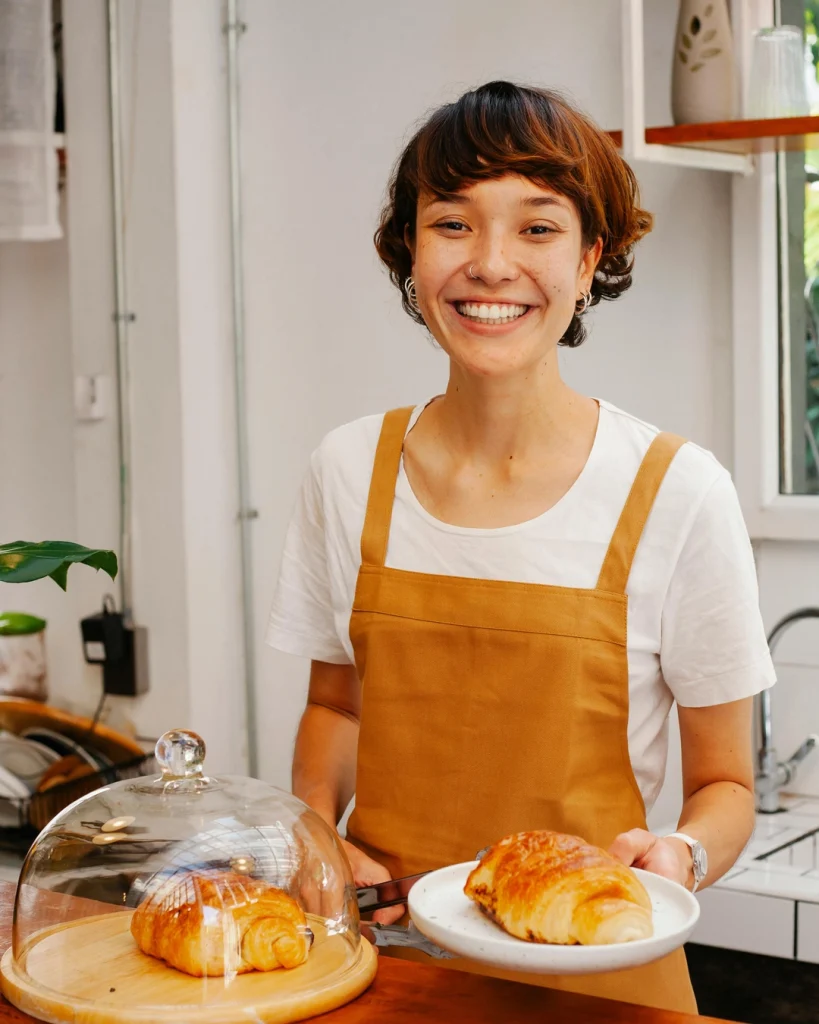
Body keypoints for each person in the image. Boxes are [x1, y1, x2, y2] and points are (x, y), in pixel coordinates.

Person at [266, 81, 774, 1013]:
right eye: (451, 224)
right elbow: (334, 709)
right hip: (390, 972)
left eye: (536, 229)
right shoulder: (347, 471)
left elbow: (725, 782)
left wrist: (680, 854)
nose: (490, 264)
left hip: (605, 984)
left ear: (592, 259)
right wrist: (313, 833)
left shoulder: (675, 491)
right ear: (408, 255)